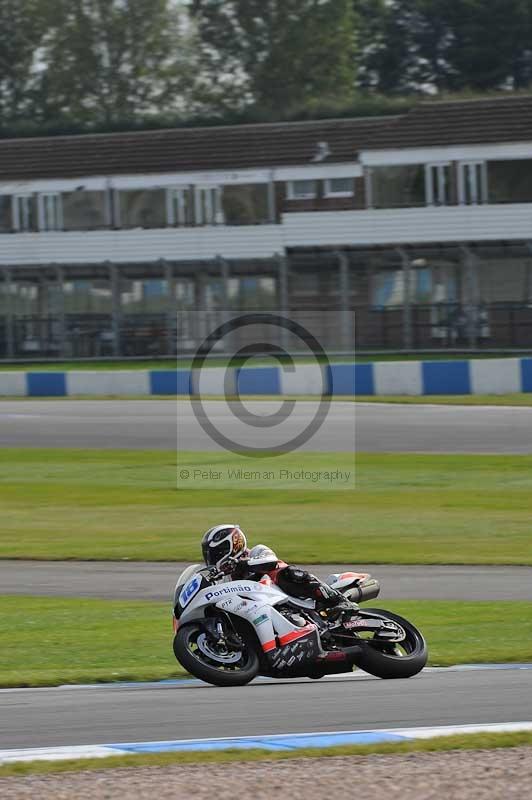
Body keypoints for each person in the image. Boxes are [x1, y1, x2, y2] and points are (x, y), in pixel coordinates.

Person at [201, 524, 344, 607]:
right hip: (262, 608)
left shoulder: (256, 551)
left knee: (289, 573)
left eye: (218, 553)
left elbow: (271, 561)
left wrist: (242, 564)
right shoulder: (225, 578)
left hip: (291, 596)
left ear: (233, 544)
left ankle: (336, 599)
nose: (214, 558)